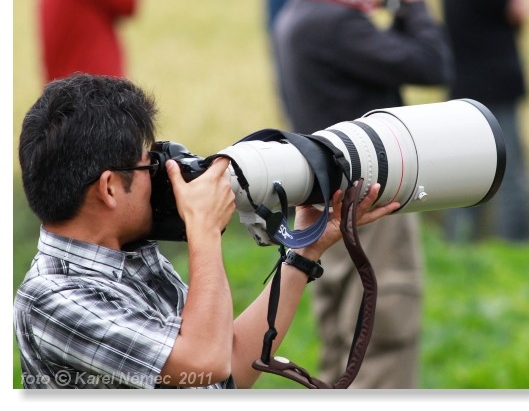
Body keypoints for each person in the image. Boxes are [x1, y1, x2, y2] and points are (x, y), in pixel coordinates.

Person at [13, 73, 398, 389]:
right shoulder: (52, 300)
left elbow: (229, 367)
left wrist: (305, 250)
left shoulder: (128, 255)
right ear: (110, 188)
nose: (165, 176)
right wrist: (204, 228)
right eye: (150, 166)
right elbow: (205, 362)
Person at [273, 0, 451, 388]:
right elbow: (431, 64)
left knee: (343, 342)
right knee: (382, 334)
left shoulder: (306, 10)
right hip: (370, 202)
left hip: (328, 201)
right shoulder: (335, 24)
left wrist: (398, 1)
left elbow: (392, 56)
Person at [441, 0, 529, 242]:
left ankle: (457, 246)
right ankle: (516, 247)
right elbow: (519, 11)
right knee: (510, 176)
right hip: (495, 92)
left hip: (465, 91)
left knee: (465, 176)